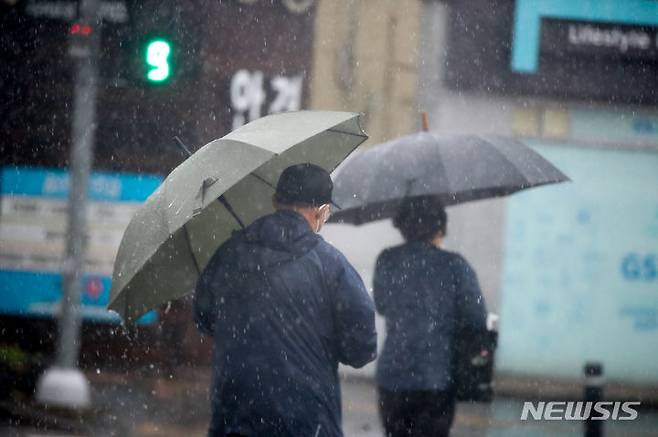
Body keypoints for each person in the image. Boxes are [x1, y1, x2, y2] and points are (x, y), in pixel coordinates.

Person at [194, 163, 377, 437]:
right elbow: (361, 349)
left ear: (275, 200)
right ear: (322, 212)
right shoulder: (332, 266)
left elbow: (205, 319)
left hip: (235, 417)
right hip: (307, 422)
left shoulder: (230, 254)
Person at [373, 196, 487, 437]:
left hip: (393, 375)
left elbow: (382, 306)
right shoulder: (455, 265)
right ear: (440, 227)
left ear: (403, 227)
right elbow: (476, 319)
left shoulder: (387, 260)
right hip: (437, 376)